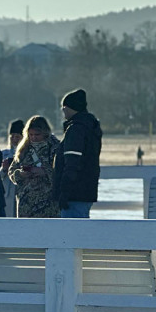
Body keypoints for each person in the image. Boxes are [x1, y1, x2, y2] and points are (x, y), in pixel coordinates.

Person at [53, 88, 102, 218]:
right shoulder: (90, 127)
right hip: (86, 191)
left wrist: (65, 191)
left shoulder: (76, 129)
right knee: (81, 230)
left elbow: (72, 162)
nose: (63, 110)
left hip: (74, 194)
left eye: (64, 107)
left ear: (69, 107)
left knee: (71, 233)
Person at [8, 116, 60, 218]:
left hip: (47, 204)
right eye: (30, 134)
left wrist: (45, 172)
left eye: (37, 134)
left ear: (45, 133)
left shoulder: (54, 148)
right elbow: (12, 170)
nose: (33, 138)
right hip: (25, 203)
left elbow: (61, 172)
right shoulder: (23, 149)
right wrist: (20, 174)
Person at [1, 119, 25, 217]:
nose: (14, 139)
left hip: (21, 191)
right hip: (7, 193)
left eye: (17, 137)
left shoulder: (27, 153)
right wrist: (4, 169)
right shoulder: (3, 154)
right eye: (12, 136)